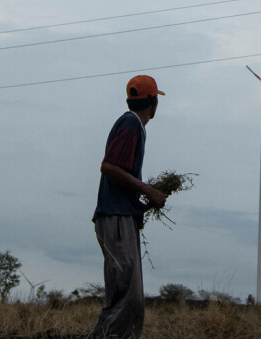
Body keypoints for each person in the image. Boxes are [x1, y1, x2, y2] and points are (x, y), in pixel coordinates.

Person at [87, 74, 167, 339]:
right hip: (116, 217)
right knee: (125, 300)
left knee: (131, 300)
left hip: (121, 216)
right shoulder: (131, 123)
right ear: (153, 102)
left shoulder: (132, 124)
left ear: (130, 100)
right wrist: (147, 190)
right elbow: (109, 167)